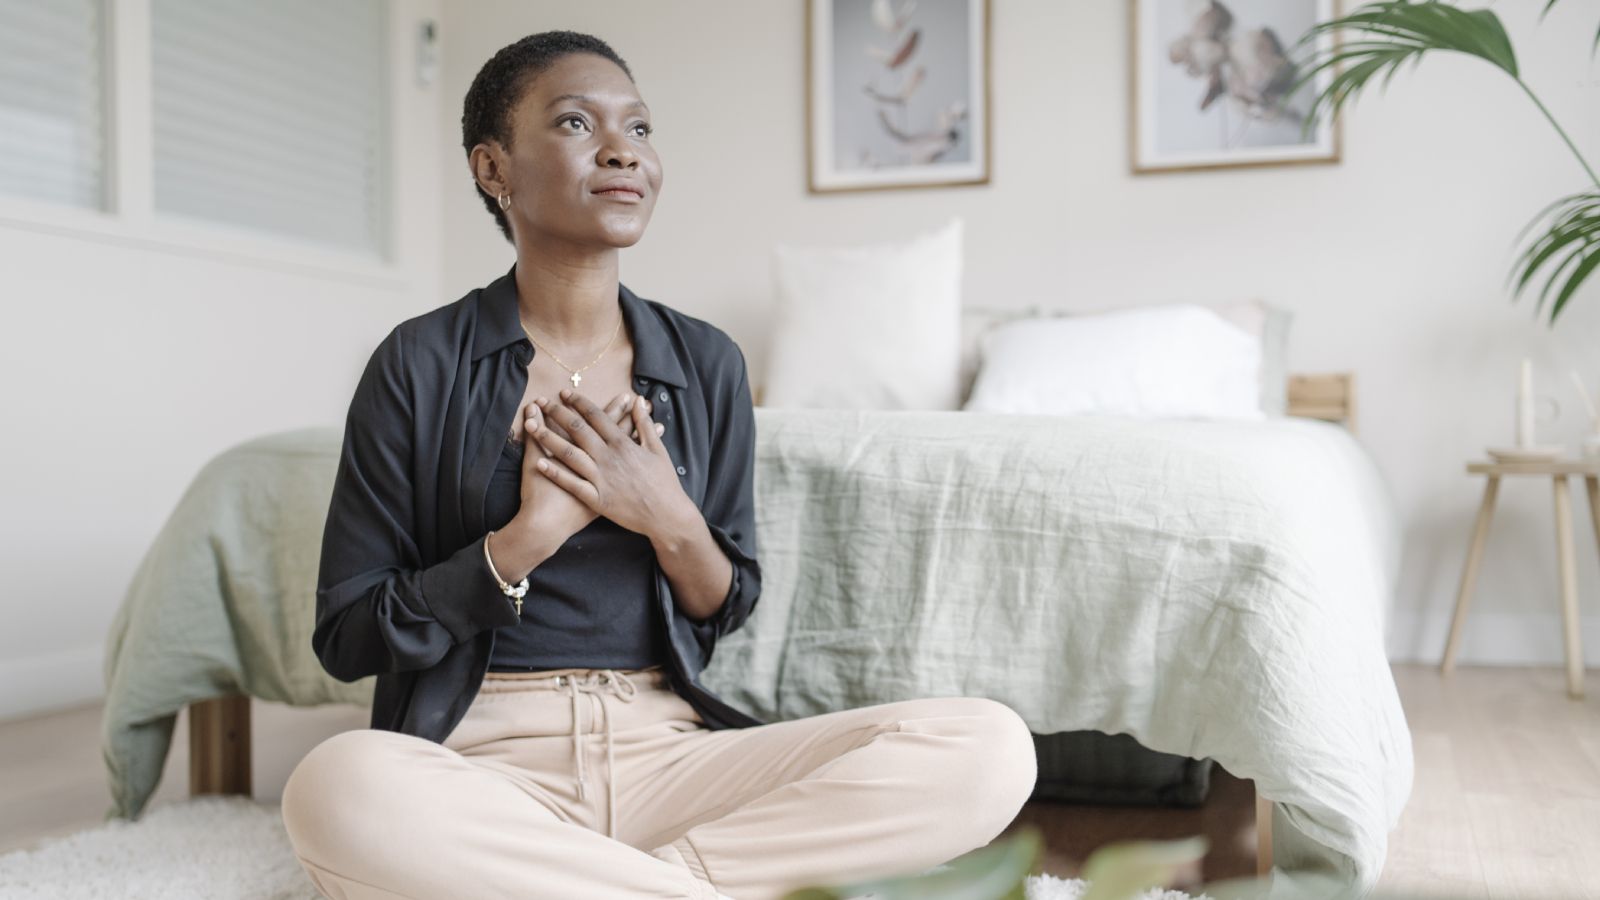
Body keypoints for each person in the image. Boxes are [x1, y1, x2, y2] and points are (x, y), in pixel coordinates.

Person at [279, 29, 1038, 900]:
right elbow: (350, 633)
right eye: (576, 123)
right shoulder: (419, 362)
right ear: (494, 169)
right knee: (336, 787)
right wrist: (523, 541)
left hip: (670, 759)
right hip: (483, 762)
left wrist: (666, 514)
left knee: (988, 748)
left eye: (638, 128)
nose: (622, 151)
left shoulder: (706, 363)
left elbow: (724, 604)